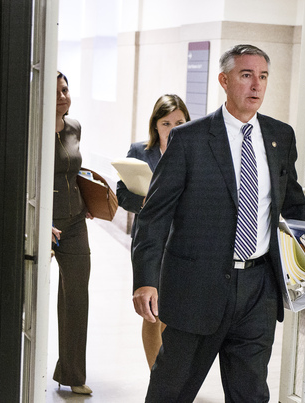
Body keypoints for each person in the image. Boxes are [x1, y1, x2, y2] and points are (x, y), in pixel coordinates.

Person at [131, 44, 305, 402]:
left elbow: (294, 206)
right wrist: (145, 281)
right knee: (171, 390)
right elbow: (154, 216)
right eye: (246, 76)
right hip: (195, 290)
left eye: (262, 77)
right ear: (224, 80)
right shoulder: (189, 140)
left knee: (251, 395)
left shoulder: (280, 137)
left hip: (258, 290)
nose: (256, 86)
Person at [116, 94, 190, 370]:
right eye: (166, 123)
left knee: (176, 314)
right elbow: (122, 194)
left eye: (180, 122)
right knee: (153, 312)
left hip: (183, 242)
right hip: (151, 242)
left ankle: (171, 375)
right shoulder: (140, 152)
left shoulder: (194, 150)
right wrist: (144, 202)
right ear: (155, 125)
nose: (173, 128)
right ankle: (155, 375)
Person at [51, 71, 93, 395]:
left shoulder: (74, 126)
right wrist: (37, 224)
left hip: (75, 221)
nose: (63, 96)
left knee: (76, 296)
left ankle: (73, 373)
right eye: (56, 92)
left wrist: (91, 197)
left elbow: (73, 168)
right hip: (43, 222)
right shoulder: (32, 127)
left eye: (66, 90)